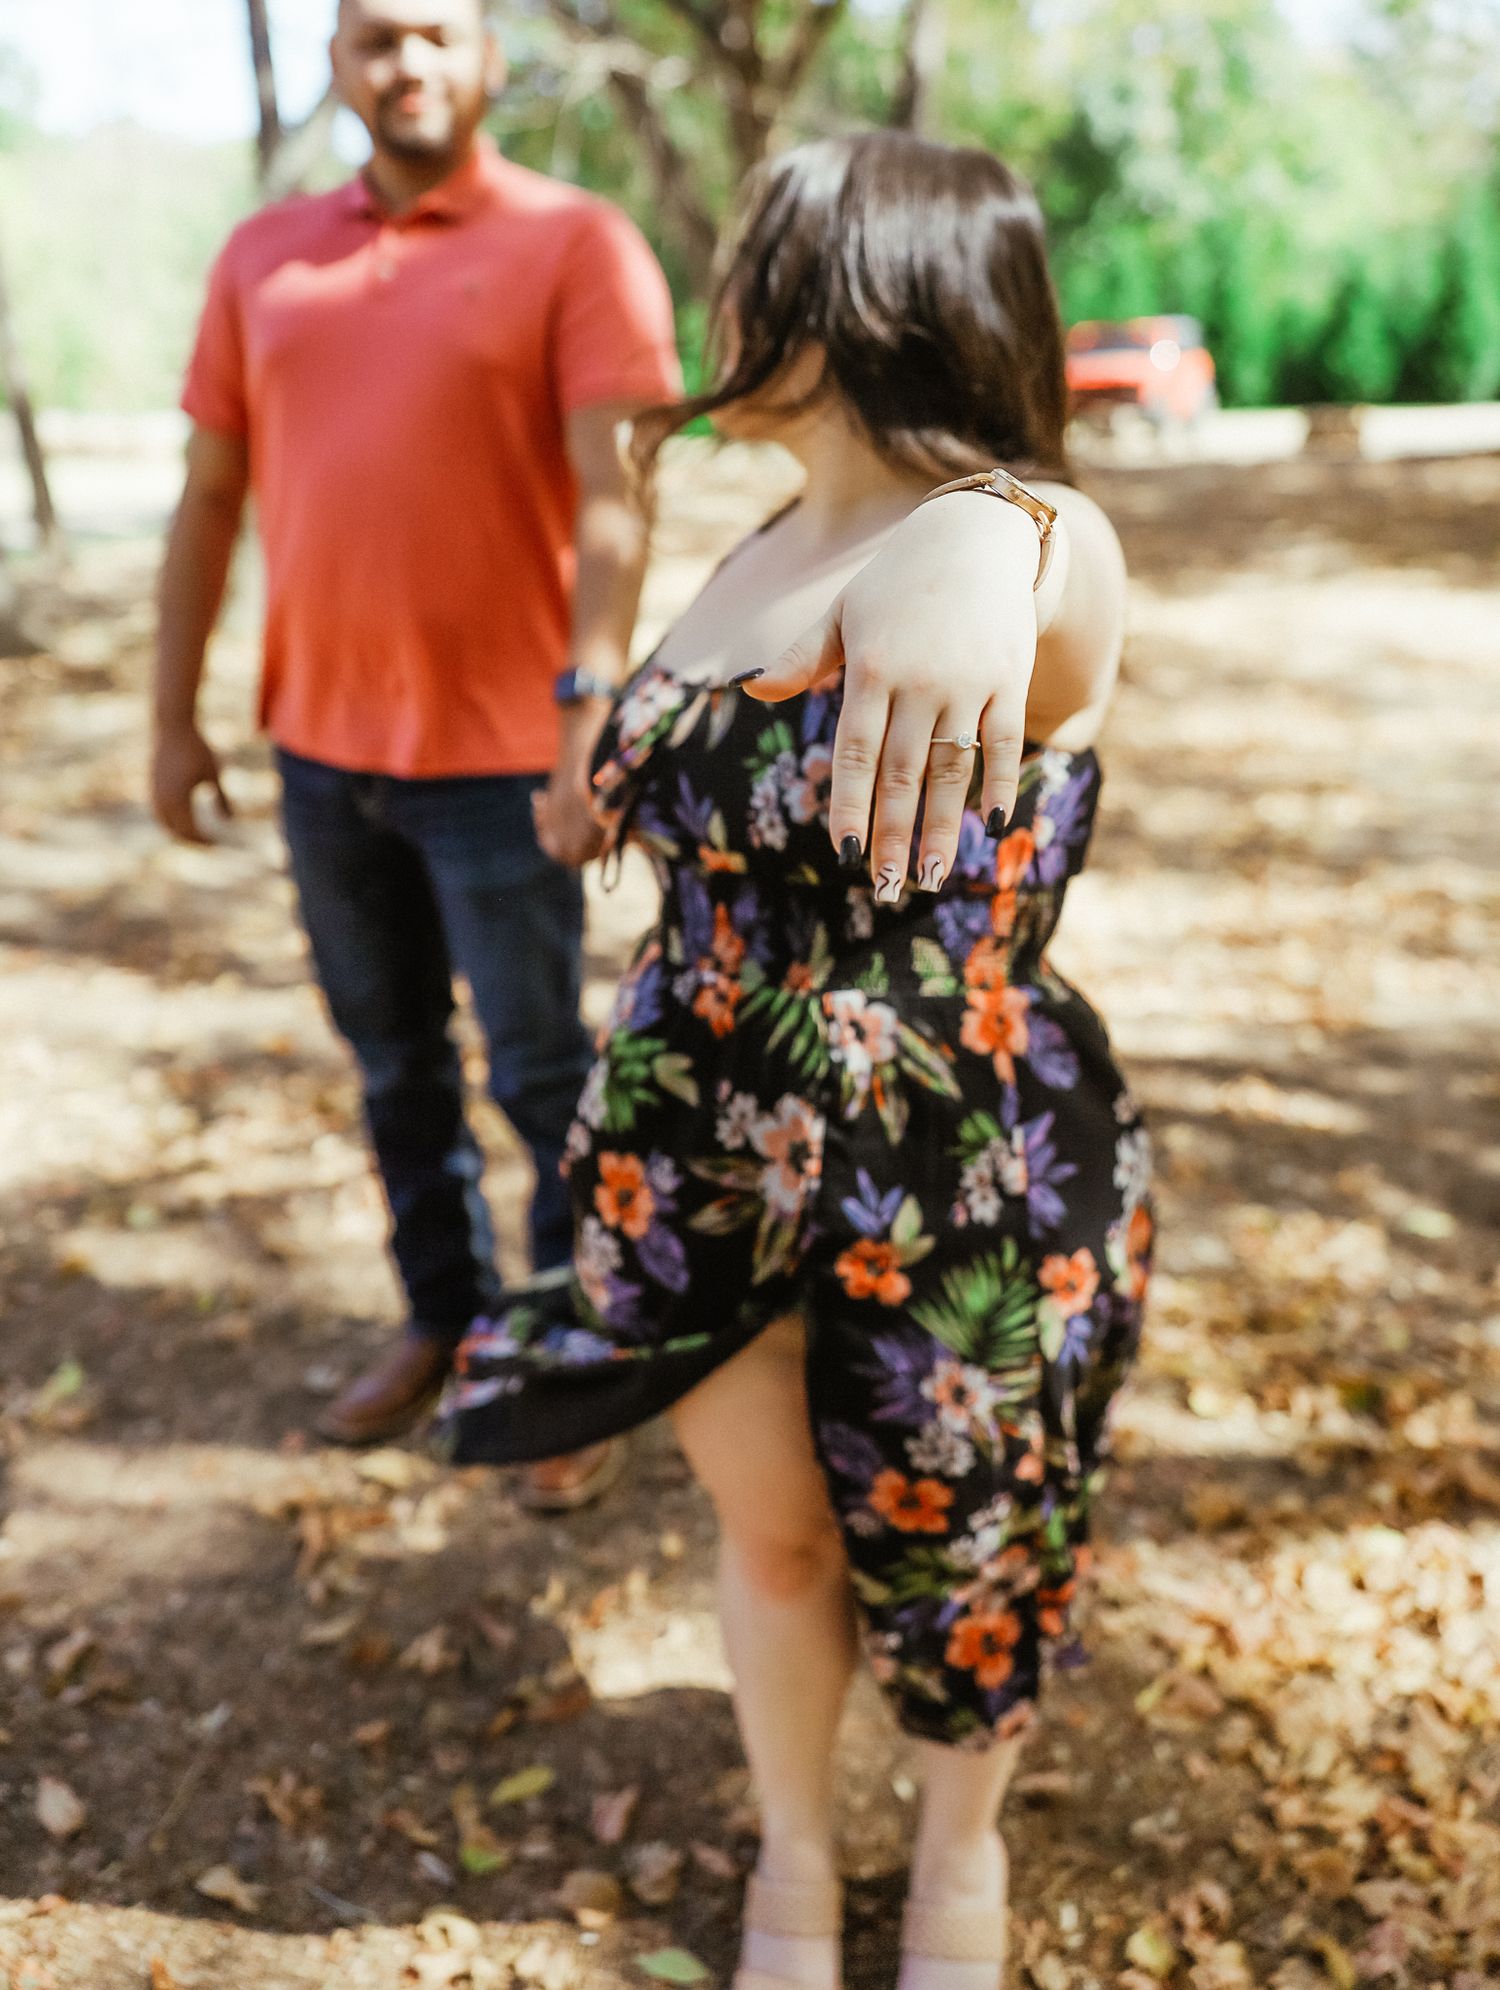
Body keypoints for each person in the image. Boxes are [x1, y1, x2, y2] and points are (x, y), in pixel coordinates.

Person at [439, 132, 1151, 1990]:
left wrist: (987, 533)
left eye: (754, 264)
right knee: (775, 1544)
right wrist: (608, 764)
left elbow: (1061, 568)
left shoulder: (1019, 536)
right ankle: (797, 1855)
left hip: (949, 1168)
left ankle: (960, 1862)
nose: (721, 301)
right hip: (700, 1152)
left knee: (964, 1562)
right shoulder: (756, 537)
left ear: (857, 291)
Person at [150, 0, 684, 1501]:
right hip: (322, 754)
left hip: (507, 757)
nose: (409, 64)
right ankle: (446, 1322)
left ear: (490, 58)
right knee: (394, 1066)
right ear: (338, 62)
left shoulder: (576, 242)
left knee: (543, 1070)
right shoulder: (264, 258)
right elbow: (210, 494)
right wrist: (171, 714)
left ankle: (572, 1361)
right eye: (377, 37)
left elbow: (619, 498)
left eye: (438, 33)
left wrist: (588, 717)